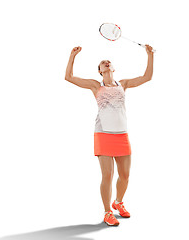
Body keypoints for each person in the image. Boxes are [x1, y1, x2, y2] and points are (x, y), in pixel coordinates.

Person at [65, 44, 154, 226]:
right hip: (103, 134)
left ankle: (118, 202)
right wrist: (72, 56)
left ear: (113, 68)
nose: (106, 63)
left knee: (125, 175)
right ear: (100, 71)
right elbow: (69, 77)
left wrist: (150, 55)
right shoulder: (95, 86)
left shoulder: (124, 84)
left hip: (121, 135)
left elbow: (147, 77)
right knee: (107, 175)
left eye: (109, 62)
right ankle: (107, 212)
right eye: (102, 63)